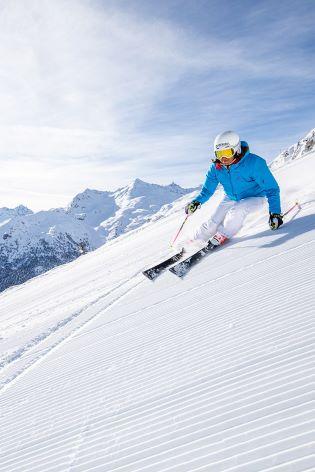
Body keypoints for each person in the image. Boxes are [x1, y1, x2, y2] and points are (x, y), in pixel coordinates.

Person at [185, 130, 283, 247]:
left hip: (256, 197)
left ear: (237, 150)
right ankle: (193, 242)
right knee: (213, 222)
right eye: (219, 154)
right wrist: (196, 202)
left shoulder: (254, 163)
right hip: (231, 197)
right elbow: (207, 190)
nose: (224, 158)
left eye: (227, 152)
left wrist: (275, 213)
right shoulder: (216, 168)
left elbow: (272, 189)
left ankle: (222, 235)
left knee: (237, 211)